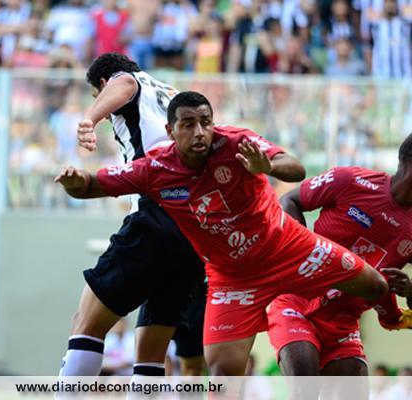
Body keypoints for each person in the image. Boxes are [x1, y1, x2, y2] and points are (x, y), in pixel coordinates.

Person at [56, 91, 389, 375]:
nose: (200, 132)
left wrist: (267, 166)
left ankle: (359, 327)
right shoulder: (154, 169)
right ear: (170, 131)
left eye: (206, 122)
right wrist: (75, 181)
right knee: (223, 373)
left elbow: (295, 167)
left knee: (377, 286)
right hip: (233, 278)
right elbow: (91, 185)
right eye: (189, 124)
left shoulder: (236, 142)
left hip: (288, 247)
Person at [59, 52, 206, 378]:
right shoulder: (170, 93)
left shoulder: (128, 82)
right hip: (193, 230)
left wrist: (89, 119)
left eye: (97, 95)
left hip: (155, 216)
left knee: (85, 324)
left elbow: (124, 82)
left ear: (103, 83)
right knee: (151, 352)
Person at [267, 134, 412, 379]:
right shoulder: (350, 180)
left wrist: (409, 290)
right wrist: (304, 254)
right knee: (305, 384)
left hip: (343, 323)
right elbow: (290, 200)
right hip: (297, 300)